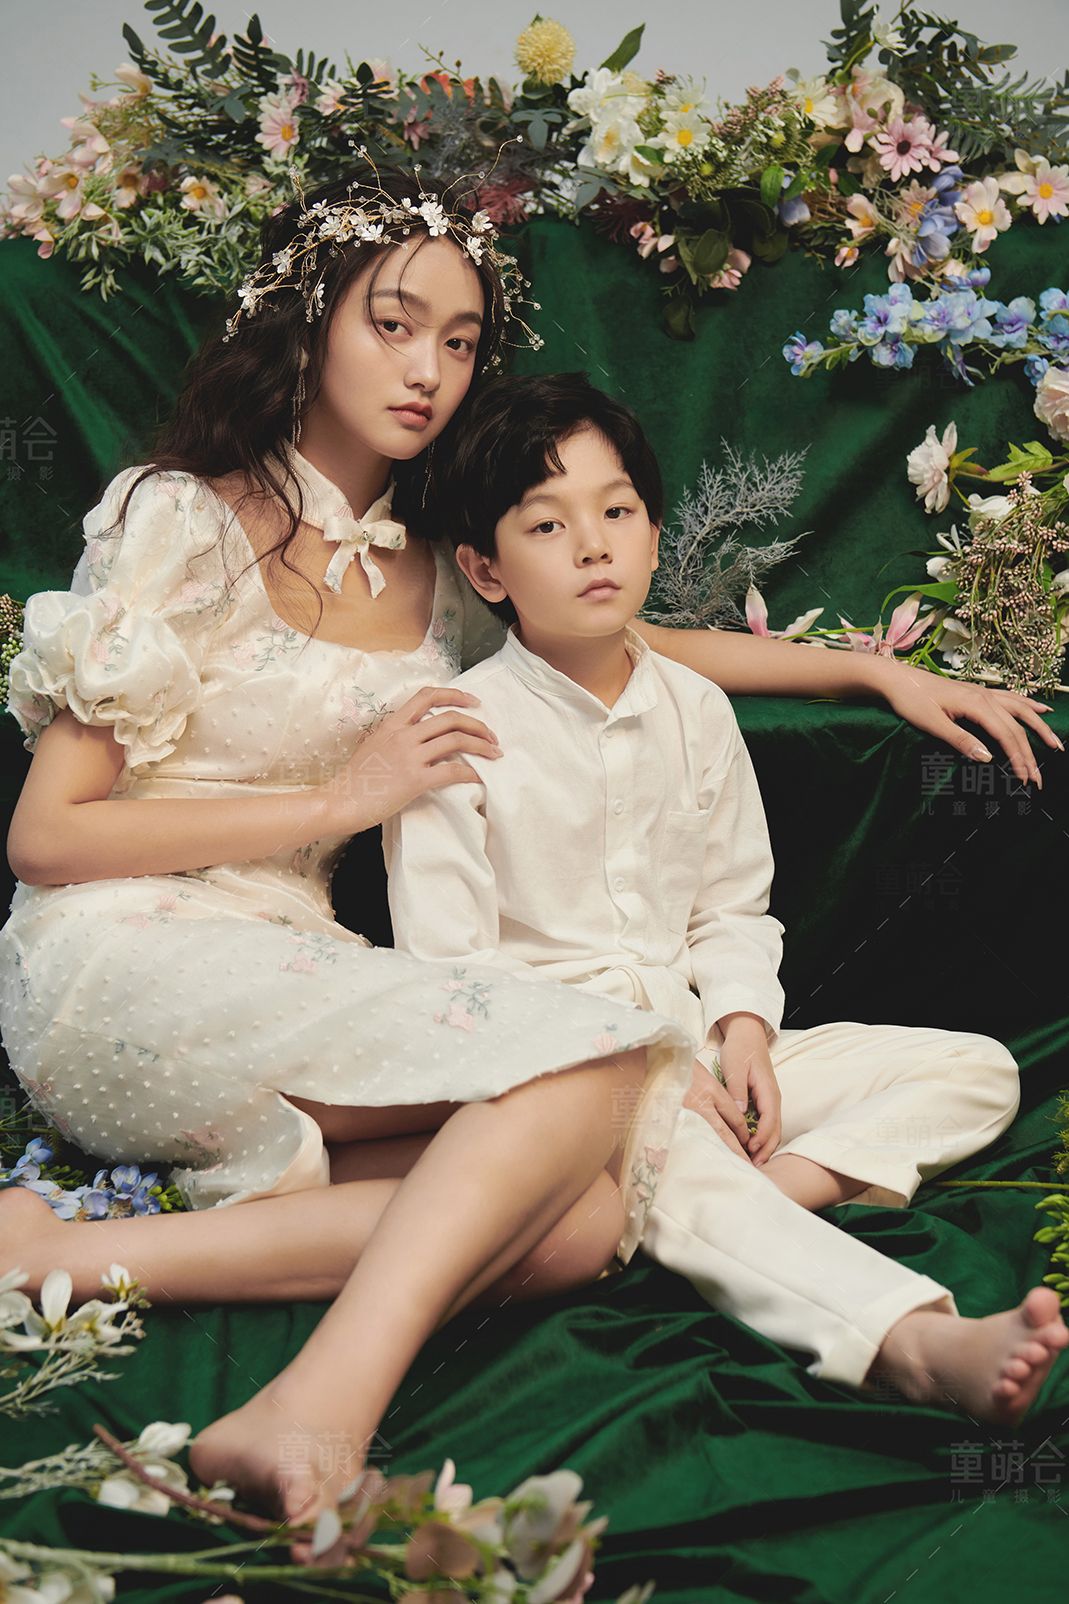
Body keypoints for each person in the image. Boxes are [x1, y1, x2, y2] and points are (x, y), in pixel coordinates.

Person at [0, 161, 1060, 1539]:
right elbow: (47, 836)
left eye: (457, 342)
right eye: (391, 324)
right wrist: (340, 802)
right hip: (124, 957)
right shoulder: (181, 516)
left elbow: (633, 638)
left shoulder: (440, 570)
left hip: (293, 967)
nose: (426, 370)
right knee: (603, 1061)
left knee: (578, 1222)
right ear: (309, 321)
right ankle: (314, 1409)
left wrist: (871, 673)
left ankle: (71, 1254)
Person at [383, 371, 1069, 1429]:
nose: (594, 546)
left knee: (976, 1069)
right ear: (485, 569)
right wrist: (651, 1062)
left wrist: (743, 1027)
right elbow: (453, 981)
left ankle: (763, 1200)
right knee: (674, 1150)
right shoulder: (457, 732)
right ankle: (916, 1343)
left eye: (617, 512)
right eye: (547, 524)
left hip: (705, 1045)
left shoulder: (697, 709)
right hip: (571, 1080)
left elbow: (730, 910)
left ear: (655, 535)